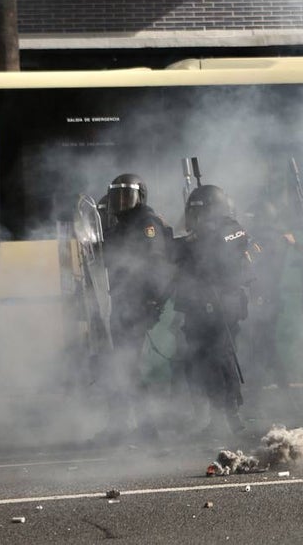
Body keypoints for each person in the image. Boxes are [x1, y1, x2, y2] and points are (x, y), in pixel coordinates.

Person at [171, 184, 255, 436]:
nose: (195, 220)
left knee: (222, 358)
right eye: (192, 213)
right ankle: (211, 415)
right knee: (197, 361)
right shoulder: (193, 239)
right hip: (197, 307)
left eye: (200, 213)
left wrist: (197, 239)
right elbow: (178, 254)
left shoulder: (232, 229)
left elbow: (220, 249)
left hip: (223, 306)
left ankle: (232, 414)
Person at [101, 173, 173, 439]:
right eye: (116, 196)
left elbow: (155, 265)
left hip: (137, 306)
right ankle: (122, 425)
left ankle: (145, 428)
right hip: (120, 303)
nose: (121, 202)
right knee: (117, 366)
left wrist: (152, 301)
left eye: (126, 195)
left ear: (140, 196)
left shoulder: (146, 224)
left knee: (127, 366)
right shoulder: (119, 226)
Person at [241, 200, 294, 398]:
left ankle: (266, 390)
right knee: (265, 344)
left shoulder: (265, 240)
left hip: (264, 296)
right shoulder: (275, 238)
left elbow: (253, 263)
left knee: (263, 344)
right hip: (268, 296)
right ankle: (282, 389)